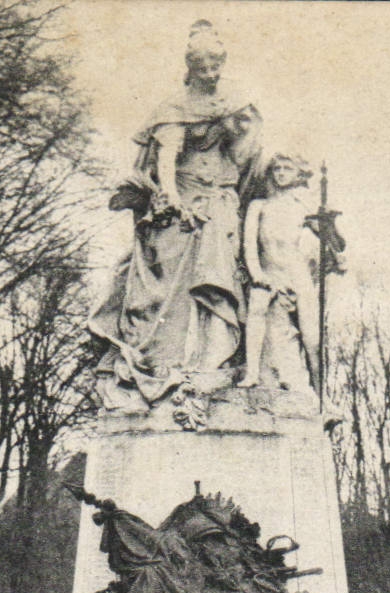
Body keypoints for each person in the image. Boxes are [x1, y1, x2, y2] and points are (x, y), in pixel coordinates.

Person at [91, 20, 263, 410]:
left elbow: (243, 157)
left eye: (216, 65)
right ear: (192, 67)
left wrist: (248, 131)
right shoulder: (172, 108)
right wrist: (171, 198)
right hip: (183, 195)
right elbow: (165, 161)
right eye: (203, 66)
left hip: (219, 195)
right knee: (173, 272)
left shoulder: (230, 103)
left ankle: (213, 359)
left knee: (220, 261)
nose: (211, 73)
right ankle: (170, 362)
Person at [240, 153, 321, 401]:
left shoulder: (302, 207)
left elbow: (331, 239)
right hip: (267, 270)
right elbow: (249, 245)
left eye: (287, 169)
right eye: (277, 168)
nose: (281, 173)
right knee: (256, 309)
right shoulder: (259, 206)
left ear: (298, 175)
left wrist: (327, 224)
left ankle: (319, 393)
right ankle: (252, 372)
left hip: (296, 273)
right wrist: (256, 273)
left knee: (311, 337)